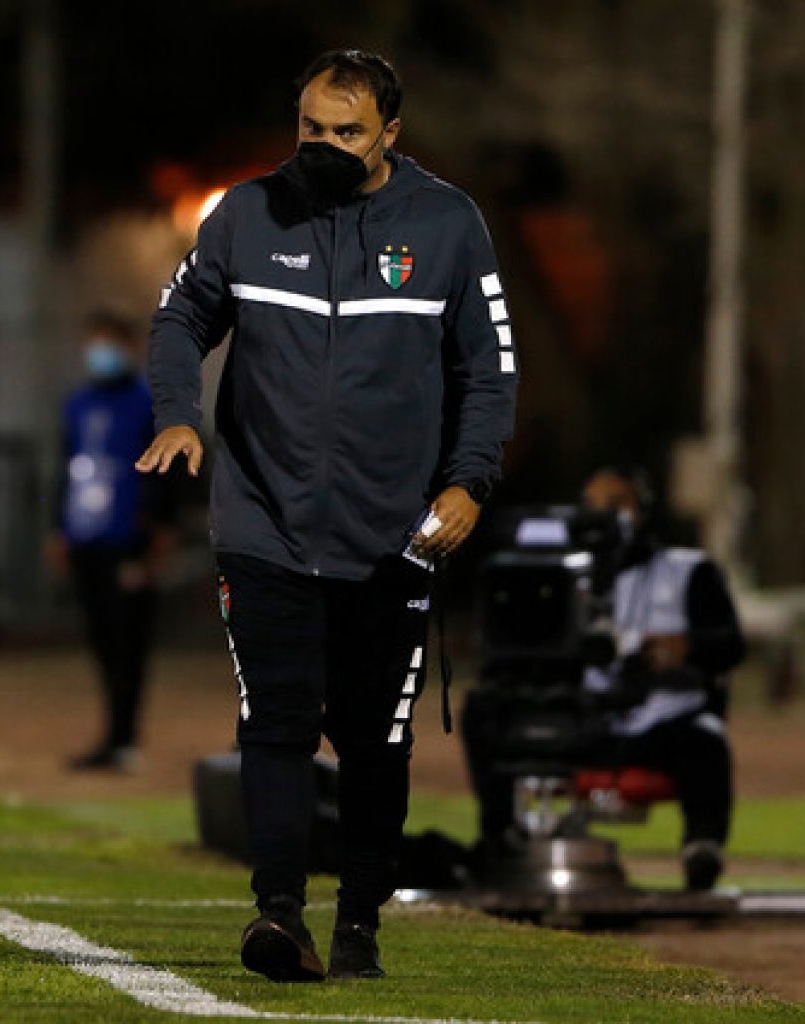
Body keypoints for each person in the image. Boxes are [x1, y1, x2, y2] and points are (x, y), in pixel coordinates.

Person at [137, 50, 518, 981]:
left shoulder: (448, 224)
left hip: (398, 534)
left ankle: (359, 923)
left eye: (348, 133)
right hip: (263, 521)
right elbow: (180, 320)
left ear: (391, 133)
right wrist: (180, 414)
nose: (326, 146)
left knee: (374, 737)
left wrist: (468, 482)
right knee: (275, 719)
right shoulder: (245, 213)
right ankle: (278, 917)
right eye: (312, 128)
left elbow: (489, 369)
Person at [464, 467, 745, 891]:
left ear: (644, 511)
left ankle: (702, 847)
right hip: (584, 724)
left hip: (661, 726)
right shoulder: (557, 573)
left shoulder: (687, 570)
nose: (606, 518)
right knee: (486, 711)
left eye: (618, 505)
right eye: (594, 507)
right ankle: (500, 840)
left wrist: (688, 648)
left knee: (706, 737)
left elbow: (732, 645)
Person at [47, 309, 179, 772]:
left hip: (129, 539)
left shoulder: (149, 404)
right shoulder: (78, 403)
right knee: (101, 638)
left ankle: (124, 736)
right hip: (87, 536)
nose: (99, 352)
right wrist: (57, 528)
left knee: (129, 640)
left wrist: (159, 530)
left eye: (109, 342)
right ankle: (113, 733)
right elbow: (65, 466)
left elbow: (170, 474)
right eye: (94, 341)